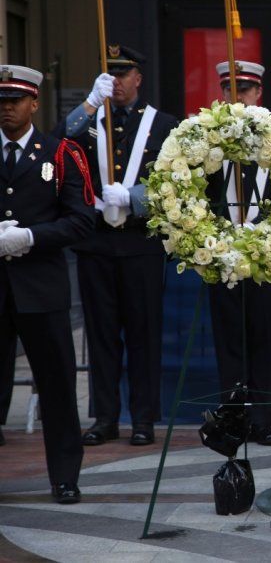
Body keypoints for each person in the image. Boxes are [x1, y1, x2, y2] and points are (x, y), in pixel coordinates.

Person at [57, 45, 178, 446]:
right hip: (97, 244)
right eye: (111, 75)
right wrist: (91, 102)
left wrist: (134, 198)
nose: (118, 82)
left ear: (138, 78)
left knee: (143, 335)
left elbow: (175, 185)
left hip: (140, 244)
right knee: (102, 335)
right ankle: (105, 417)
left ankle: (143, 418)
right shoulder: (91, 121)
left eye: (124, 74)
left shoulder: (162, 125)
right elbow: (60, 141)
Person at [0, 64, 95, 502]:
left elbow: (81, 220)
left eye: (15, 100)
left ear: (34, 103)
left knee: (57, 387)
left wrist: (33, 237)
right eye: (1, 101)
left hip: (41, 289)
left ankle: (64, 476)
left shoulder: (59, 153)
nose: (6, 109)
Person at [206, 60, 271, 445]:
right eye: (230, 90)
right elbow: (196, 194)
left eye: (246, 90)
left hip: (266, 255)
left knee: (266, 337)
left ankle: (263, 419)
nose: (237, 97)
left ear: (258, 94)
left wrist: (270, 232)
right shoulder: (206, 137)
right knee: (230, 339)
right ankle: (233, 418)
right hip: (221, 254)